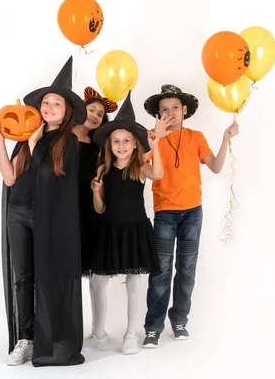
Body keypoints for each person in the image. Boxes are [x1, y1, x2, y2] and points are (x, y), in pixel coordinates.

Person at [141, 84, 239, 348]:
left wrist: (225, 139)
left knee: (186, 269)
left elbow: (216, 167)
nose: (170, 113)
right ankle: (153, 327)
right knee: (160, 270)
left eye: (175, 108)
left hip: (193, 212)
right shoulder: (152, 136)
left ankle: (180, 319)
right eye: (164, 110)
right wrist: (157, 139)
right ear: (158, 115)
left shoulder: (196, 137)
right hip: (164, 212)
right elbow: (139, 167)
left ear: (185, 110)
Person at [86, 91, 169, 355]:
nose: (120, 145)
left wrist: (155, 144)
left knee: (135, 283)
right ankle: (98, 332)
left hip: (134, 230)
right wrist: (96, 191)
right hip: (109, 231)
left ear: (135, 145)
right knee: (97, 281)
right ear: (109, 145)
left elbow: (158, 173)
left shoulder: (140, 168)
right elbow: (100, 209)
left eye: (126, 141)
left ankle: (132, 333)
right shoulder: (102, 170)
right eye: (116, 141)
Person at [22, 56, 86, 366]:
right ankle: (47, 345)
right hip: (43, 219)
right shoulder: (38, 138)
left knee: (60, 278)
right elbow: (30, 180)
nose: (48, 107)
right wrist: (33, 143)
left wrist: (35, 148)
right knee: (45, 278)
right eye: (46, 102)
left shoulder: (69, 142)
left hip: (61, 222)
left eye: (56, 104)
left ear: (67, 112)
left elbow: (47, 175)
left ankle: (64, 344)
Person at [0, 105, 38, 366]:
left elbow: (49, 178)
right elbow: (9, 178)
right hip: (17, 213)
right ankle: (25, 339)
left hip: (43, 215)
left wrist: (35, 143)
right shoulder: (22, 146)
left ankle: (44, 335)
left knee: (44, 276)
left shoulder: (51, 145)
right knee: (22, 278)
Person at [72, 87, 118, 277]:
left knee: (81, 249)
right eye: (91, 110)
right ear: (81, 109)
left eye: (100, 114)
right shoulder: (63, 134)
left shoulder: (95, 145)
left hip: (83, 201)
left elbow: (98, 170)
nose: (95, 116)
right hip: (63, 196)